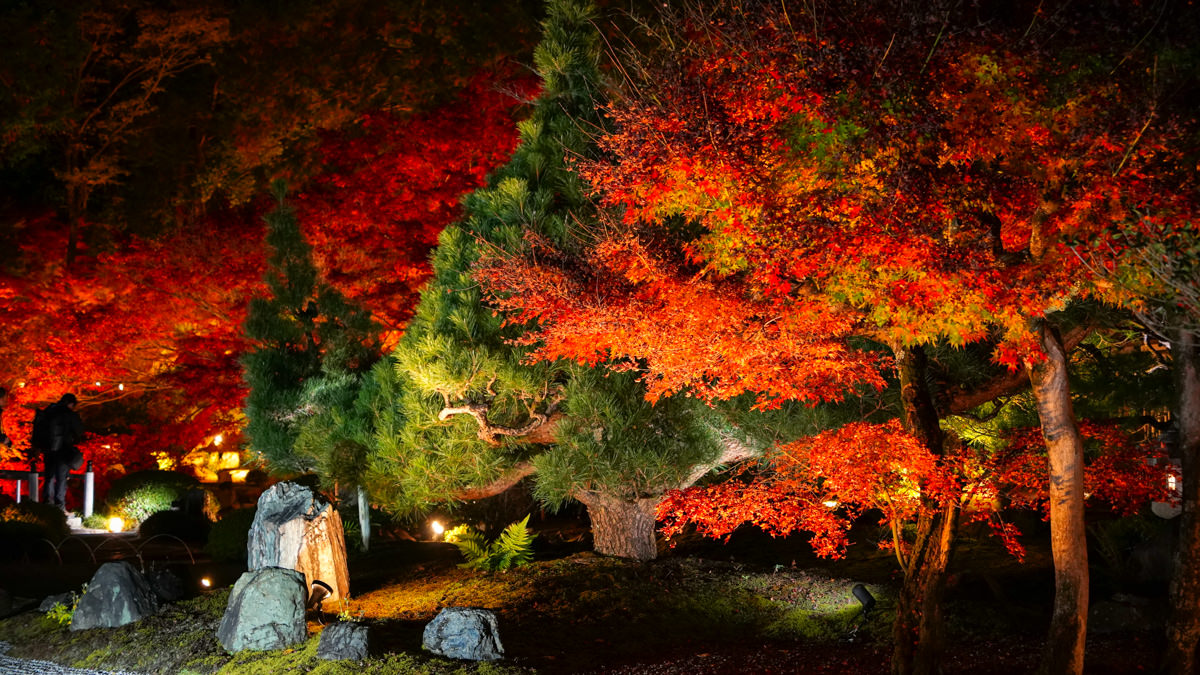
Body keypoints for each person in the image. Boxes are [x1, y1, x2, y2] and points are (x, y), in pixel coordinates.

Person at [41, 393, 83, 509]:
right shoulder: (69, 415)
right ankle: (59, 506)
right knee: (61, 478)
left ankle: (46, 504)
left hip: (48, 449)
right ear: (70, 404)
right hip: (64, 449)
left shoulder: (49, 411)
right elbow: (79, 431)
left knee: (49, 476)